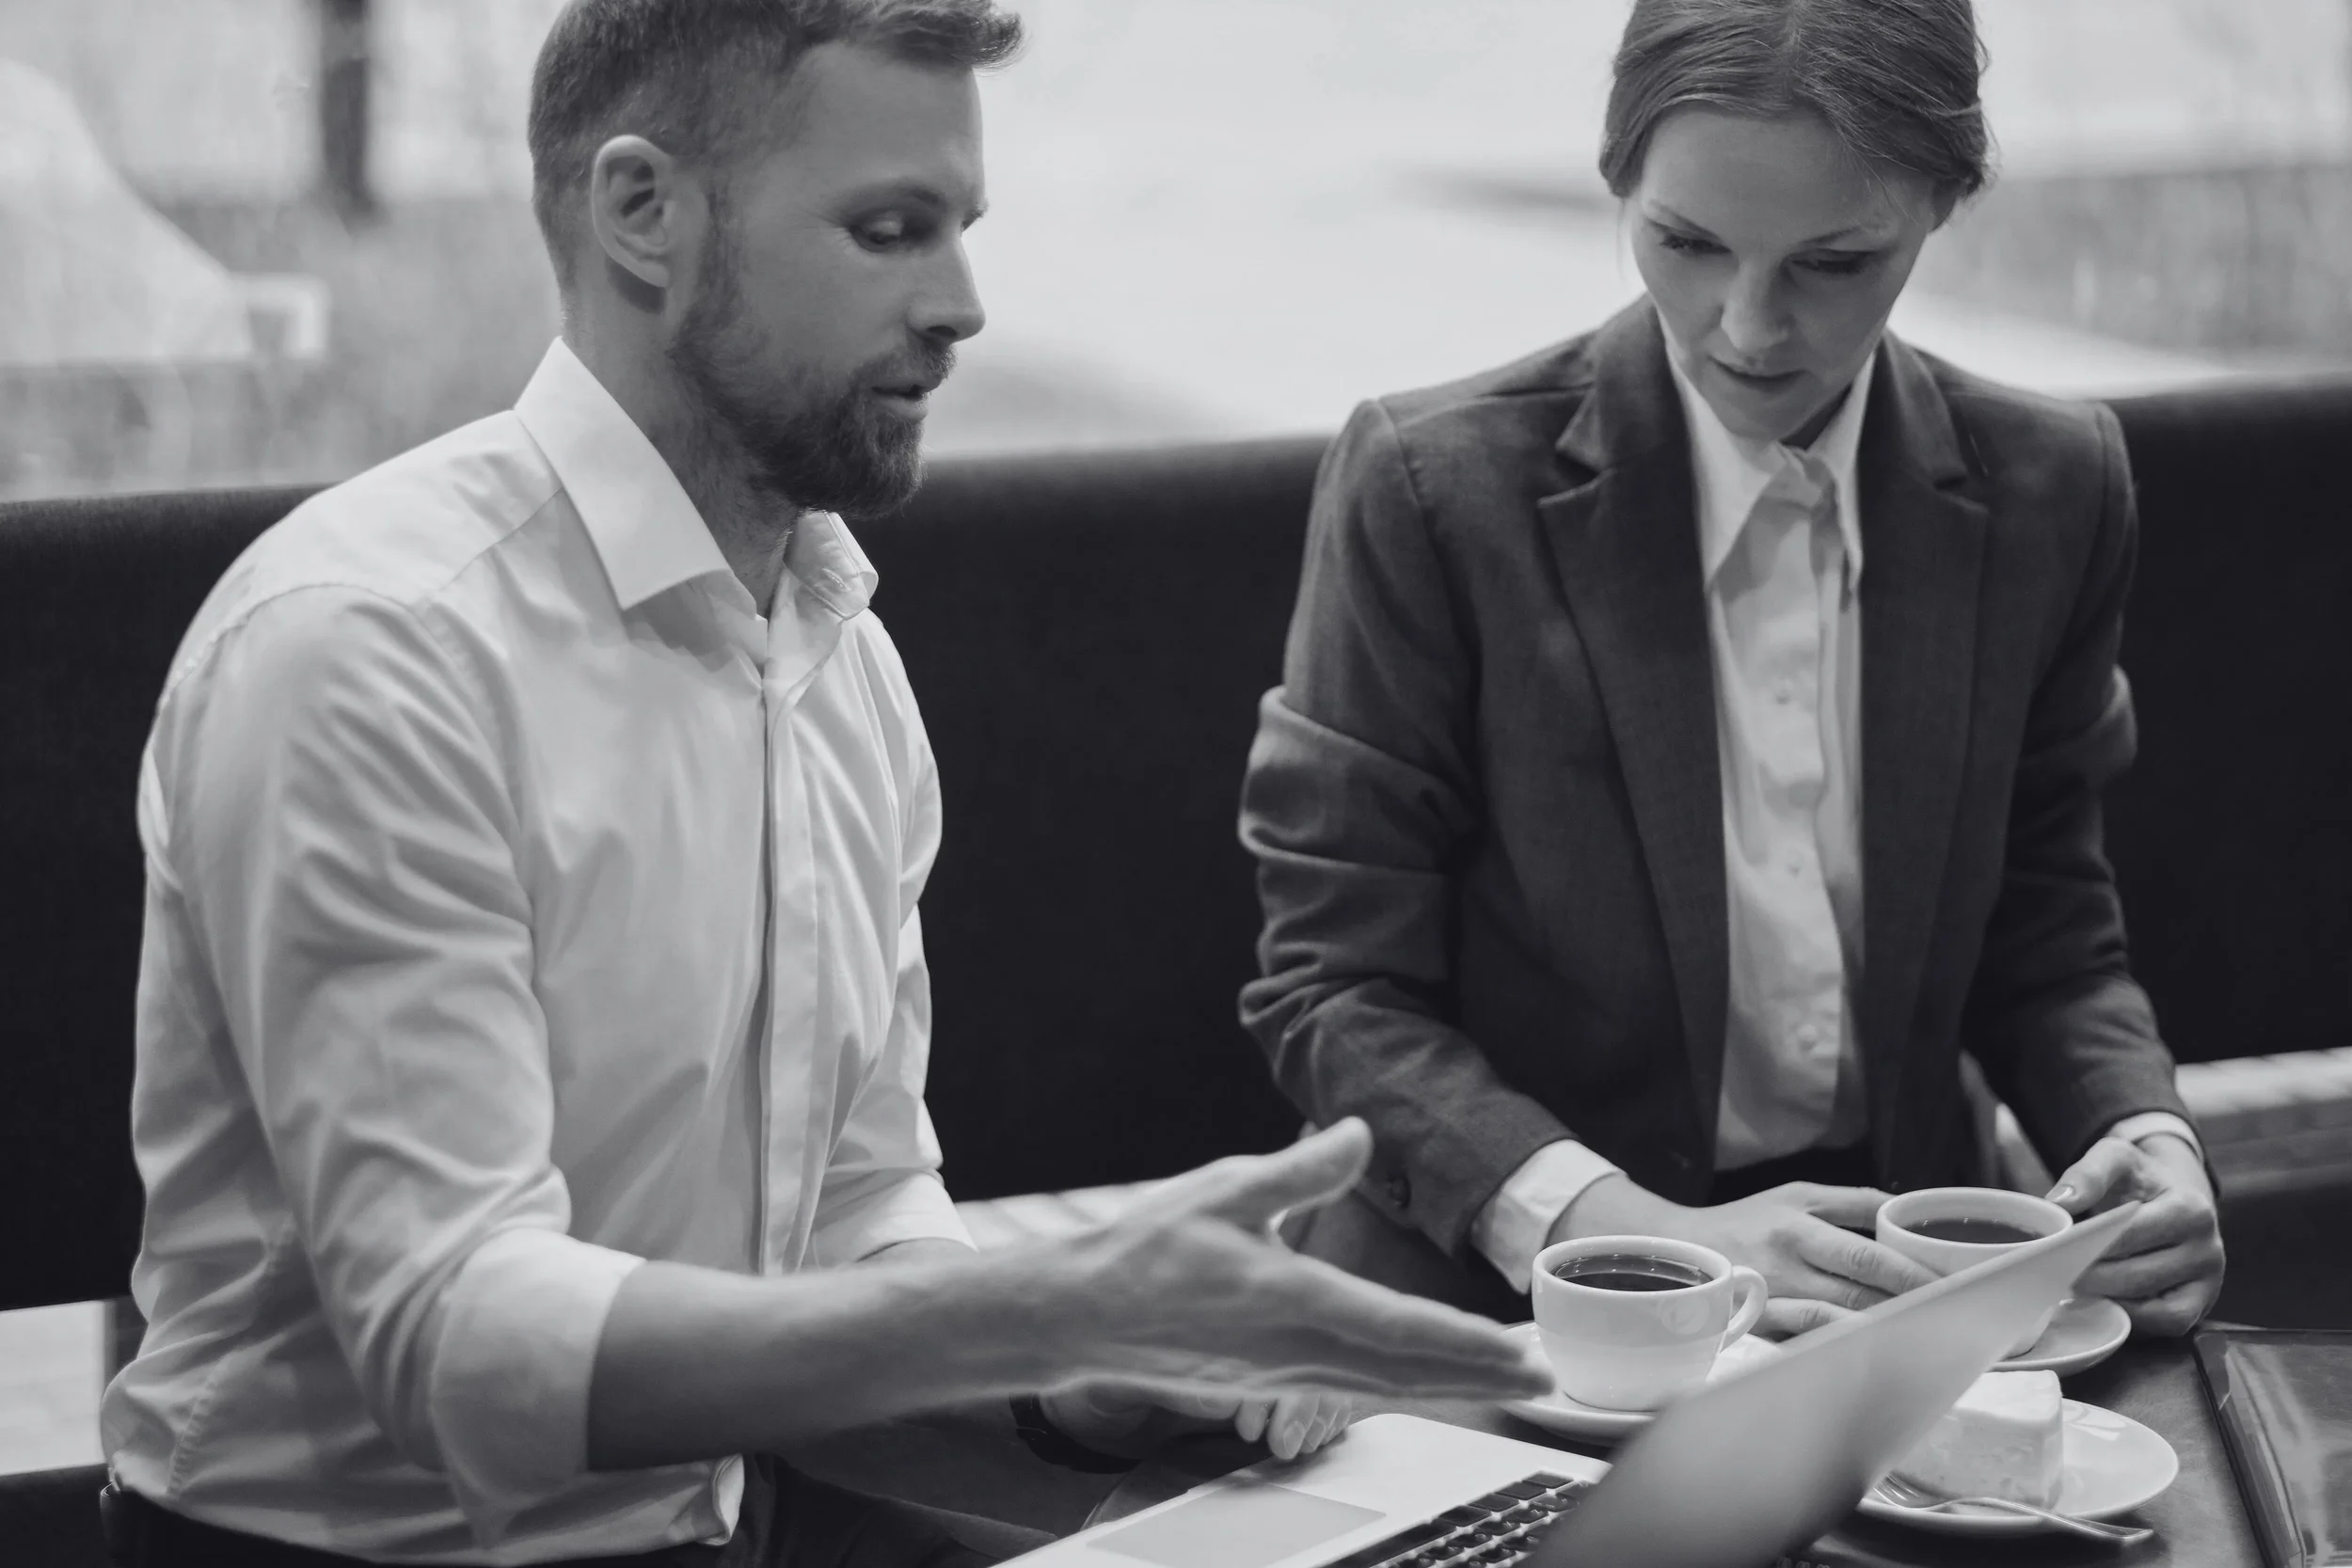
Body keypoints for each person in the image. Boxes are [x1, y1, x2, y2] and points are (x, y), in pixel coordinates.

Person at [98, 4, 1550, 1565]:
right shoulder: (374, 652)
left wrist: (1096, 1368)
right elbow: (458, 1341)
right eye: (889, 232)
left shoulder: (839, 658)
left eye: (960, 230)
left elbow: (857, 1204)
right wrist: (1028, 1304)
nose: (965, 305)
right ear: (642, 213)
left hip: (725, 1525)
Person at [1240, 0, 2225, 1342]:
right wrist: (1638, 1235)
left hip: (1908, 1278)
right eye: (1686, 243)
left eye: (1833, 262)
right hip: (1498, 1286)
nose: (1747, 326)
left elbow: (2047, 934)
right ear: (1616, 179)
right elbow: (1333, 989)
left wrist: (2143, 1134)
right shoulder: (1431, 491)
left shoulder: (2054, 487)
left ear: (1943, 203)